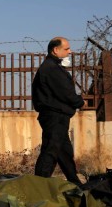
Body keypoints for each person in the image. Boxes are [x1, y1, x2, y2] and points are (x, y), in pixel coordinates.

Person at [32, 37, 85, 186]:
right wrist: (79, 101)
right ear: (56, 50)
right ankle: (38, 187)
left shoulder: (53, 67)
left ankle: (75, 184)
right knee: (50, 152)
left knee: (64, 152)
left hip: (57, 116)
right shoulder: (51, 69)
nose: (70, 51)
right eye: (67, 49)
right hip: (54, 116)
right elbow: (66, 93)